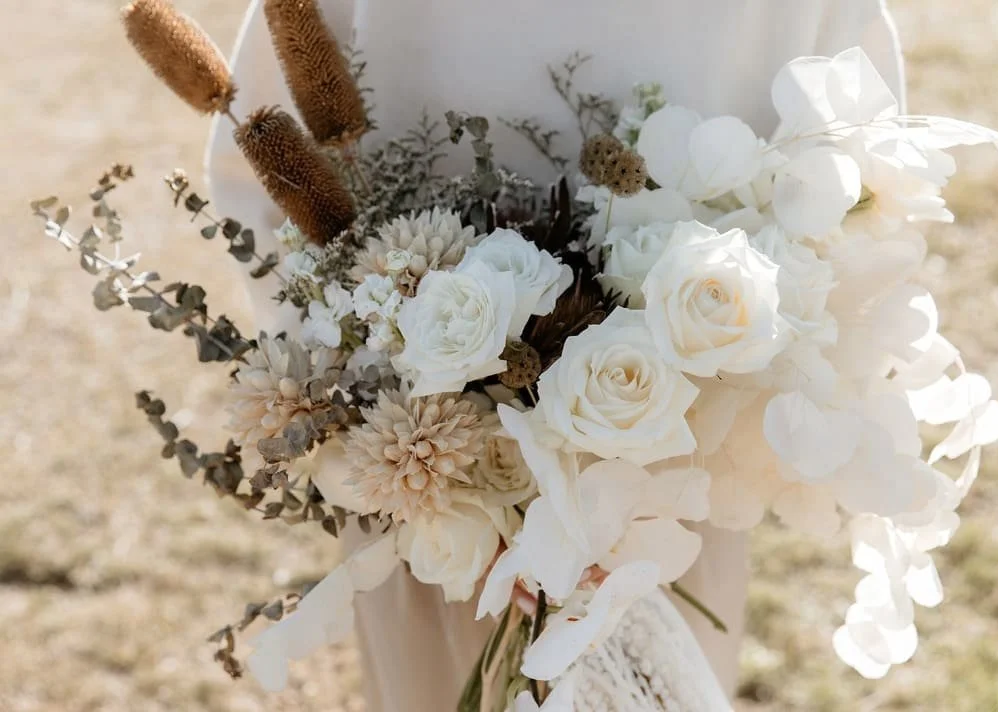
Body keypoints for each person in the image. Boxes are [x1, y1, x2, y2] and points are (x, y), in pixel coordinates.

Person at [206, 2, 905, 709]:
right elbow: (263, 145)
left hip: (671, 478)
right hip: (428, 486)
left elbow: (855, 148)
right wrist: (360, 378)